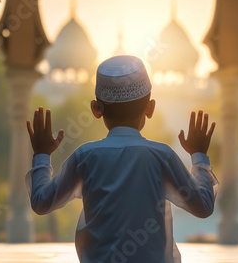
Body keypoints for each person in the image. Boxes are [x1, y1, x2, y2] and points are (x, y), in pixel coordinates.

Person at [25, 55, 219, 263]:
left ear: (96, 109)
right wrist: (198, 155)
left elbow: (41, 202)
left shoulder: (85, 157)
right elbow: (203, 207)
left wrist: (42, 154)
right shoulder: (162, 156)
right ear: (150, 107)